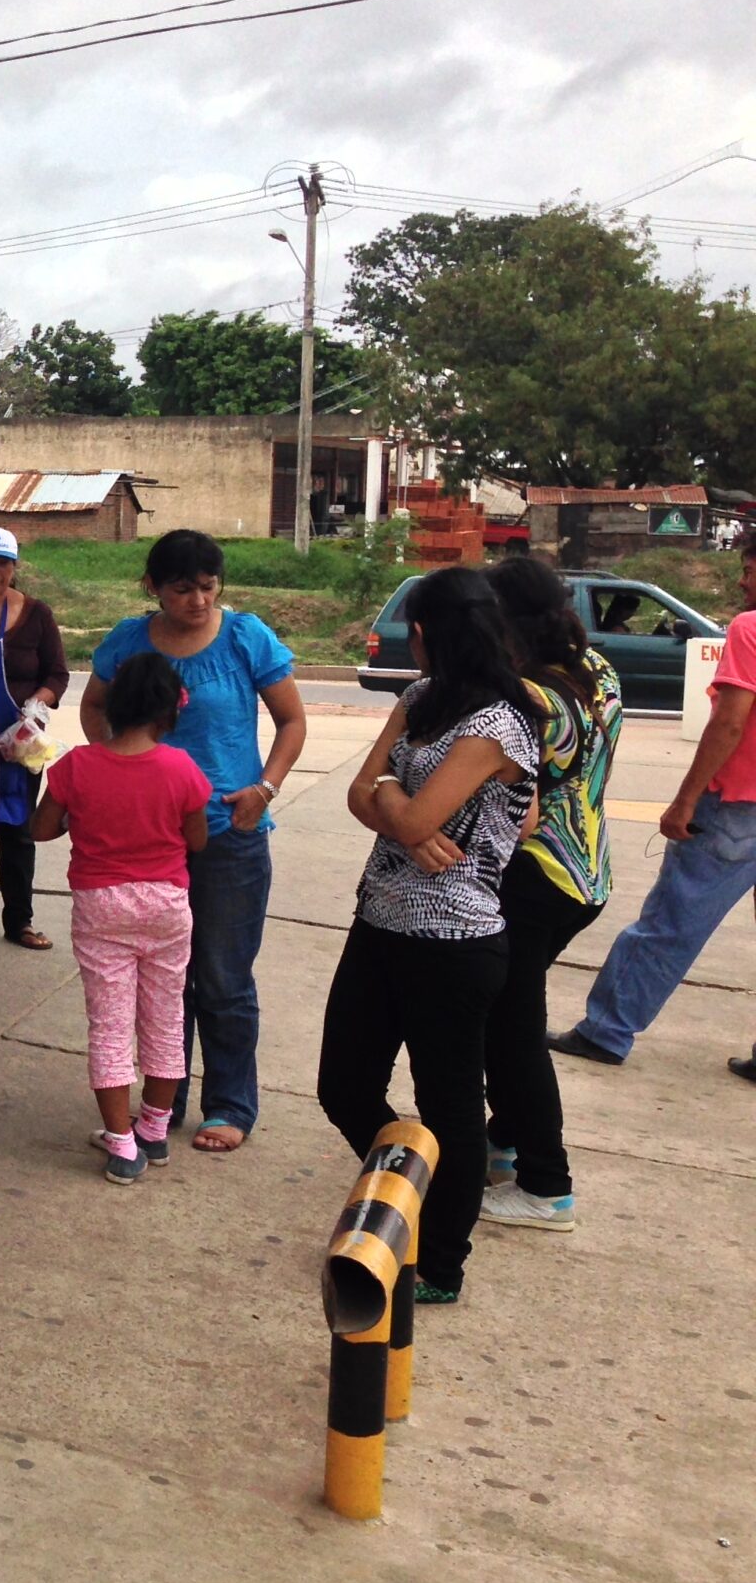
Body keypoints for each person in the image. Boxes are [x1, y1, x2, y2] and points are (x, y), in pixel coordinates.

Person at [318, 568, 540, 1306]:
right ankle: (406, 1196)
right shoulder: (417, 701)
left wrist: (396, 804)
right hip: (378, 921)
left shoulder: (500, 723)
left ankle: (441, 1260)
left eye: (412, 631)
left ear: (430, 633)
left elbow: (417, 820)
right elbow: (364, 795)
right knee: (343, 1085)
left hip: (453, 943)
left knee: (448, 1104)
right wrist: (393, 800)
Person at [81, 529, 305, 1152]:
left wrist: (264, 787)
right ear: (152, 587)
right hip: (149, 843)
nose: (199, 601)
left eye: (209, 588)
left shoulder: (244, 637)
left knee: (225, 977)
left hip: (231, 832)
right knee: (163, 980)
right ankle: (161, 1104)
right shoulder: (127, 641)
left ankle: (230, 1104)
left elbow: (292, 719)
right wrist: (117, 769)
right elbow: (95, 707)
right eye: (183, 589)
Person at [554, 534, 756, 1075]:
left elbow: (731, 722)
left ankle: (606, 1030)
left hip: (737, 808)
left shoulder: (750, 628)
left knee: (671, 924)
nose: (742, 581)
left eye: (749, 569)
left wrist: (685, 800)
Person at [480, 557, 622, 1232]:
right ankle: (505, 1142)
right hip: (587, 873)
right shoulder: (599, 672)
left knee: (511, 1032)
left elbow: (523, 807)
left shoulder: (529, 698)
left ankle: (546, 1185)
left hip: (537, 874)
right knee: (508, 1018)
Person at [32, 652, 210, 1184]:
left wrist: (79, 821)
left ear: (112, 705)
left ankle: (121, 1142)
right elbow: (197, 838)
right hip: (167, 906)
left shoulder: (74, 768)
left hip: (101, 905)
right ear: (168, 713)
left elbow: (41, 830)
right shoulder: (183, 769)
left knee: (110, 1025)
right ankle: (154, 1130)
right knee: (165, 1017)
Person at [0, 525, 69, 950]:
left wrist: (34, 710)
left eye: (3, 563)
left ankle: (19, 922)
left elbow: (57, 675)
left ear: (14, 567)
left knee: (17, 833)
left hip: (20, 744)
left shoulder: (37, 615)